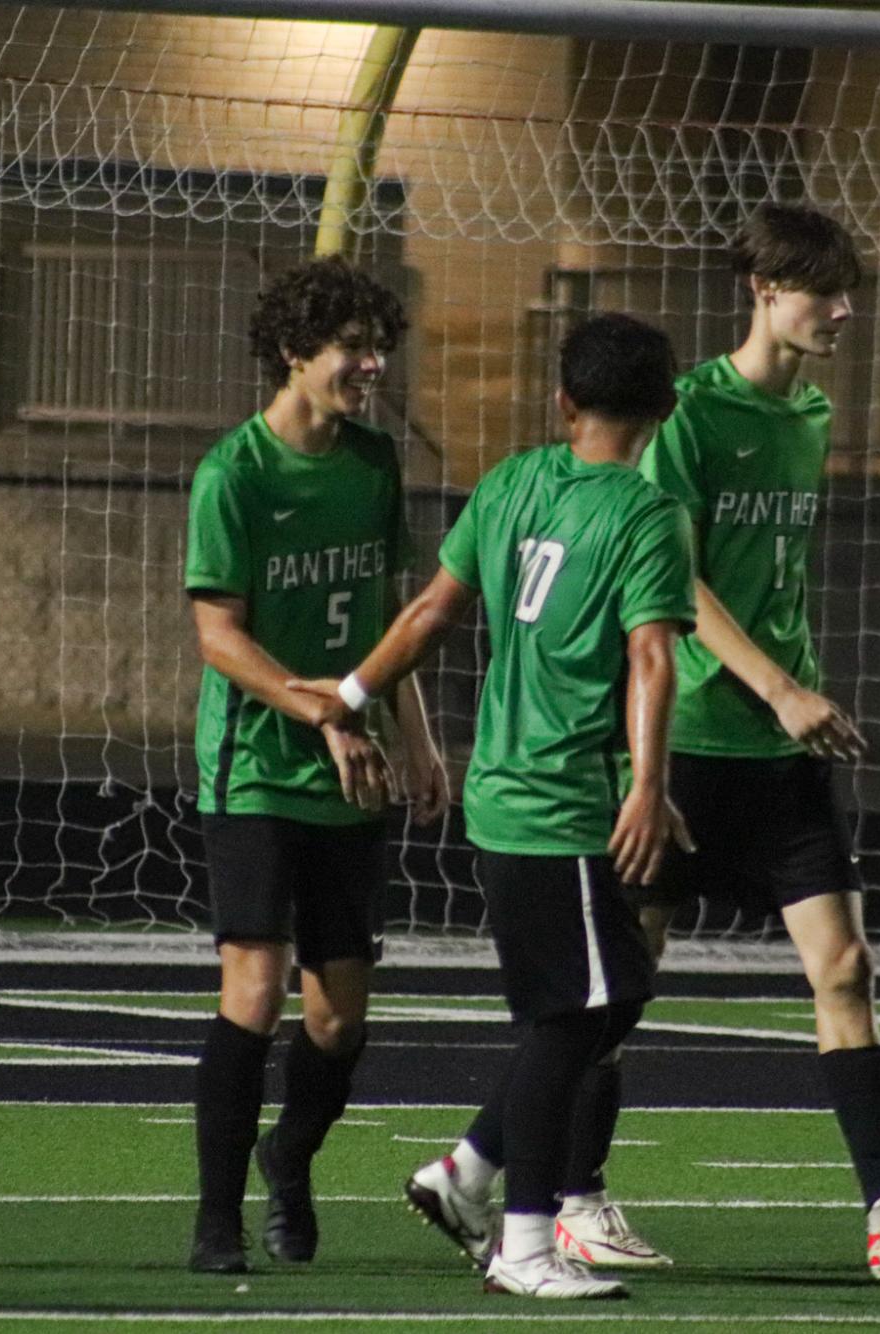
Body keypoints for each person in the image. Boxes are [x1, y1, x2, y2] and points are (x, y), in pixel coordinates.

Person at [551, 204, 880, 1281]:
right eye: (822, 291)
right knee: (621, 985)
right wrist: (780, 685)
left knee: (844, 966)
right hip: (695, 740)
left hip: (782, 755)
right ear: (762, 288)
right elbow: (675, 582)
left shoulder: (809, 413)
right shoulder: (691, 417)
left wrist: (795, 698)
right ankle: (569, 1197)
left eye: (846, 291)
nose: (843, 310)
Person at [294, 312, 696, 1300]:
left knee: (610, 996)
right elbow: (651, 656)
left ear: (563, 402)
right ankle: (521, 1237)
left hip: (504, 797)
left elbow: (431, 609)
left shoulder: (514, 481)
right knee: (579, 1013)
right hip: (560, 805)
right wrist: (647, 782)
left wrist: (349, 692)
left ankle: (468, 1169)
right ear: (666, 408)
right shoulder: (648, 515)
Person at [183, 256, 448, 1275]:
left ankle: (287, 1157)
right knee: (252, 987)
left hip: (356, 770)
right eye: (351, 347)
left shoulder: (375, 463)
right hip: (255, 766)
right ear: (295, 352)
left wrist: (417, 738)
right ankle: (216, 1222)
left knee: (338, 1017)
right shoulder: (234, 475)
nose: (370, 365)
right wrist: (321, 711)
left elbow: (393, 622)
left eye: (378, 347)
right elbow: (221, 638)